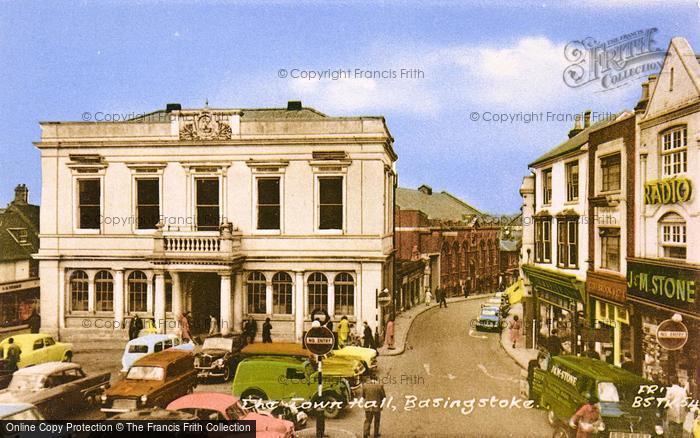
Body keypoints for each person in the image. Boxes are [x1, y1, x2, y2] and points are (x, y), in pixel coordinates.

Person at [361, 373, 386, 438]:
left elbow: (363, 396)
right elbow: (383, 396)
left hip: (368, 406)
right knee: (377, 421)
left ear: (370, 378)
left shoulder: (365, 385)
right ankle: (376, 434)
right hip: (377, 407)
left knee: (368, 420)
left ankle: (365, 434)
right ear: (376, 379)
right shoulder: (380, 386)